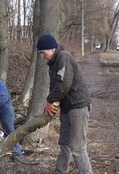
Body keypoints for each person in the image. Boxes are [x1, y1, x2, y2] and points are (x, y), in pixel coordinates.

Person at [37, 34, 93, 174]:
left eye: (43, 53)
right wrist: (47, 112)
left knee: (78, 147)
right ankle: (61, 170)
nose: (42, 56)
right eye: (40, 53)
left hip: (78, 106)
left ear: (52, 48)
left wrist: (49, 100)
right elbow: (55, 88)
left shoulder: (64, 57)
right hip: (67, 107)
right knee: (65, 143)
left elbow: (64, 85)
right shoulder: (53, 63)